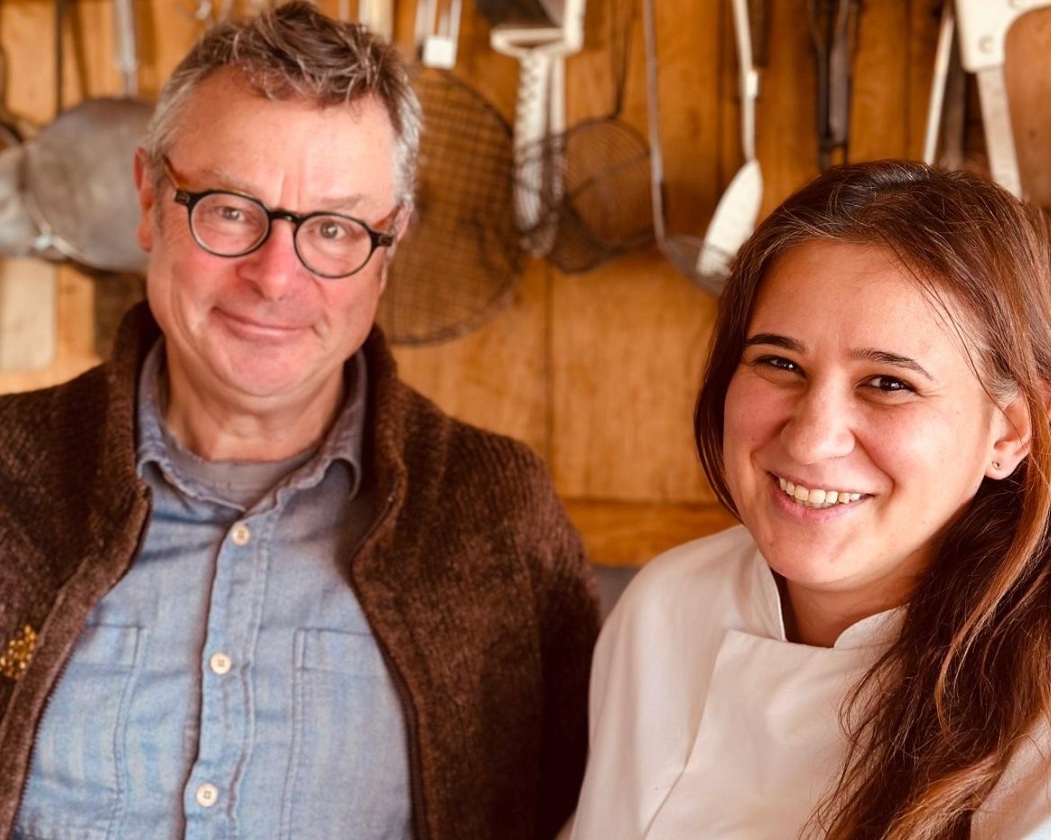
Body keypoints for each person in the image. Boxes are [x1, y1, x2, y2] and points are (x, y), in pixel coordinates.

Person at [0, 5, 600, 839]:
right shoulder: (7, 474)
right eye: (232, 210)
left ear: (388, 246)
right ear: (150, 198)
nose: (276, 278)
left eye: (333, 228)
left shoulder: (492, 514)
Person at [566, 159, 1051, 839]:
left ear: (1007, 431)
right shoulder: (666, 607)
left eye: (887, 383)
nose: (812, 439)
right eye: (779, 363)